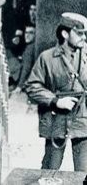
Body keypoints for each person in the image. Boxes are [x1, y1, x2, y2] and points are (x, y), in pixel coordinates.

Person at [24, 12, 87, 171]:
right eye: (79, 34)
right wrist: (56, 101)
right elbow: (32, 86)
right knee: (50, 169)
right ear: (65, 33)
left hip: (82, 119)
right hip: (56, 119)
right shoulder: (47, 58)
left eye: (85, 34)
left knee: (84, 170)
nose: (84, 38)